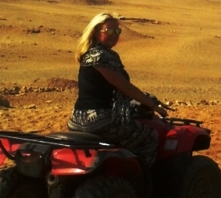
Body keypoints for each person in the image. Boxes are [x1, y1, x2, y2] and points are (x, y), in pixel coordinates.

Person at [68, 12, 167, 168]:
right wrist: (152, 106)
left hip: (77, 119)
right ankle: (141, 182)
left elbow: (111, 89)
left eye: (118, 31)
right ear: (95, 31)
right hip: (99, 119)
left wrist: (148, 99)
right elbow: (124, 87)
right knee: (150, 136)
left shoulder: (90, 53)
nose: (115, 35)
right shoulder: (101, 56)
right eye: (109, 31)